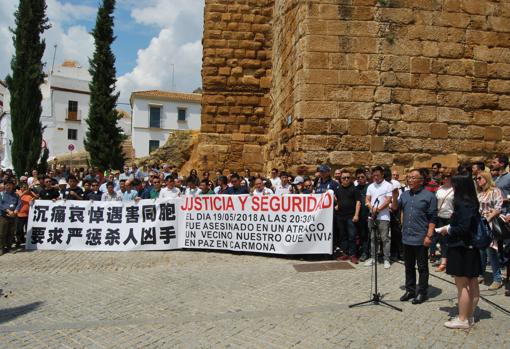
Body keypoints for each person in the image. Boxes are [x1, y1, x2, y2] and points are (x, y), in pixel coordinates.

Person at [439, 174, 481, 329]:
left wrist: (447, 229)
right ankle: (469, 316)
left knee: (462, 284)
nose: (452, 188)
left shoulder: (463, 204)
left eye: (454, 185)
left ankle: (462, 319)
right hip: (471, 247)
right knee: (472, 281)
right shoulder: (472, 201)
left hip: (461, 247)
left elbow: (462, 228)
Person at [392, 169, 437, 304]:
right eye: (408, 178)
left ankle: (422, 292)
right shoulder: (405, 195)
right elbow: (395, 208)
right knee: (408, 266)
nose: (409, 180)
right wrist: (394, 197)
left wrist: (429, 236)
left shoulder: (429, 196)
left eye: (412, 178)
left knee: (422, 267)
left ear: (421, 181)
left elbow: (433, 218)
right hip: (407, 236)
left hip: (421, 237)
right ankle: (410, 290)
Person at [475, 171, 504, 290]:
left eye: (479, 178)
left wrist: (487, 219)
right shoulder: (480, 193)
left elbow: (498, 208)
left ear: (486, 178)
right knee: (480, 250)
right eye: (476, 178)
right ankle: (481, 274)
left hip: (490, 223)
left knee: (491, 251)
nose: (477, 180)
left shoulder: (495, 191)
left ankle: (497, 278)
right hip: (480, 222)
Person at [365, 166, 393, 269]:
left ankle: (386, 259)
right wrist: (371, 207)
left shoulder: (388, 185)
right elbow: (367, 199)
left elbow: (388, 200)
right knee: (373, 238)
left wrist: (378, 209)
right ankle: (373, 258)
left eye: (377, 175)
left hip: (383, 217)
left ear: (382, 174)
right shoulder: (371, 186)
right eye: (374, 175)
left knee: (384, 238)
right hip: (372, 216)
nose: (375, 177)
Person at [334, 169, 361, 263]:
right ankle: (345, 254)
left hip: (351, 217)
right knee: (343, 236)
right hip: (340, 216)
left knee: (352, 236)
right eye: (344, 178)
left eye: (348, 177)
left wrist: (356, 215)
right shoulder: (338, 189)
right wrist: (337, 205)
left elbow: (358, 202)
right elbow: (337, 199)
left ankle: (353, 255)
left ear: (351, 179)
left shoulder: (355, 189)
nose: (346, 179)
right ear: (340, 179)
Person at [433, 168, 455, 272]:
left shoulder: (455, 189)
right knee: (442, 240)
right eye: (444, 177)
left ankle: (452, 262)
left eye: (448, 176)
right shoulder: (439, 189)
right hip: (440, 217)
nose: (445, 178)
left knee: (451, 239)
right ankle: (443, 262)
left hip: (451, 217)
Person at [0, 179, 21, 255]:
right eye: (7, 185)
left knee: (11, 232)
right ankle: (1, 248)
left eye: (10, 185)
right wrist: (8, 211)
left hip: (13, 216)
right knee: (2, 232)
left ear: (13, 186)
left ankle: (9, 247)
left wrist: (15, 211)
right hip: (3, 216)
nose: (8, 186)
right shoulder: (1, 194)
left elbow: (19, 203)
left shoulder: (16, 195)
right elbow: (0, 204)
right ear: (4, 185)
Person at [15, 182, 38, 250]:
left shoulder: (29, 194)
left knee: (28, 229)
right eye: (23, 187)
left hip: (28, 215)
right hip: (20, 214)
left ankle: (27, 241)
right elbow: (19, 198)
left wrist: (31, 194)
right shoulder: (18, 193)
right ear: (21, 187)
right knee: (19, 230)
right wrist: (25, 192)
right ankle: (18, 241)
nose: (25, 188)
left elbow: (37, 197)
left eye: (26, 187)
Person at [355, 168, 370, 262]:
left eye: (362, 177)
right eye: (358, 177)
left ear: (365, 177)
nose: (360, 178)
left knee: (367, 235)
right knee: (360, 235)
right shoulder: (355, 188)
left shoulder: (370, 187)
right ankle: (362, 251)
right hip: (358, 216)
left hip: (367, 215)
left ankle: (366, 252)